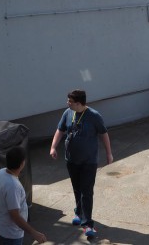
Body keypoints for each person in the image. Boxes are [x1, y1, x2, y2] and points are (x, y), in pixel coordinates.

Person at [50, 89, 113, 239]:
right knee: (77, 188)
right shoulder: (67, 113)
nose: (67, 103)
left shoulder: (94, 116)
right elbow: (60, 130)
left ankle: (88, 224)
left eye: (70, 101)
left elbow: (104, 134)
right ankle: (79, 212)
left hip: (89, 162)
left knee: (87, 191)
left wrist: (109, 153)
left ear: (78, 103)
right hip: (71, 160)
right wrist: (53, 146)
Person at [0, 147, 47, 245]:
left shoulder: (0, 173)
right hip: (11, 235)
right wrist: (34, 233)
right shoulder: (13, 186)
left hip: (2, 228)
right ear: (22, 164)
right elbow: (15, 216)